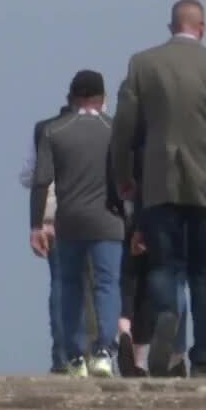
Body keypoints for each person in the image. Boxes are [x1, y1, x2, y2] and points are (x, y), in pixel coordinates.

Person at [111, 0, 206, 378]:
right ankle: (205, 357)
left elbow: (124, 127)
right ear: (202, 27)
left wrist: (124, 171)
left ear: (171, 27)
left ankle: (168, 325)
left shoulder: (143, 64)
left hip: (159, 179)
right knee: (205, 270)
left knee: (162, 265)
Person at [31, 70, 124, 378]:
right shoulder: (115, 129)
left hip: (69, 220)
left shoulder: (53, 131)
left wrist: (35, 225)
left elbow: (41, 181)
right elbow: (128, 179)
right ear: (101, 98)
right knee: (107, 285)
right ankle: (103, 351)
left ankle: (75, 356)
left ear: (72, 96)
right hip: (108, 219)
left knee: (69, 287)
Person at [106, 118, 190, 378]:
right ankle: (144, 359)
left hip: (124, 222)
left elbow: (113, 188)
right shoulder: (164, 147)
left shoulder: (119, 149)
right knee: (151, 291)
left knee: (128, 285)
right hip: (157, 222)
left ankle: (124, 330)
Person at [21, 100, 71, 373]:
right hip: (90, 217)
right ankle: (88, 351)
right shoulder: (102, 128)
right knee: (93, 286)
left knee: (60, 283)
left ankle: (61, 356)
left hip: (50, 216)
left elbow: (30, 176)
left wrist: (36, 223)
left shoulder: (43, 129)